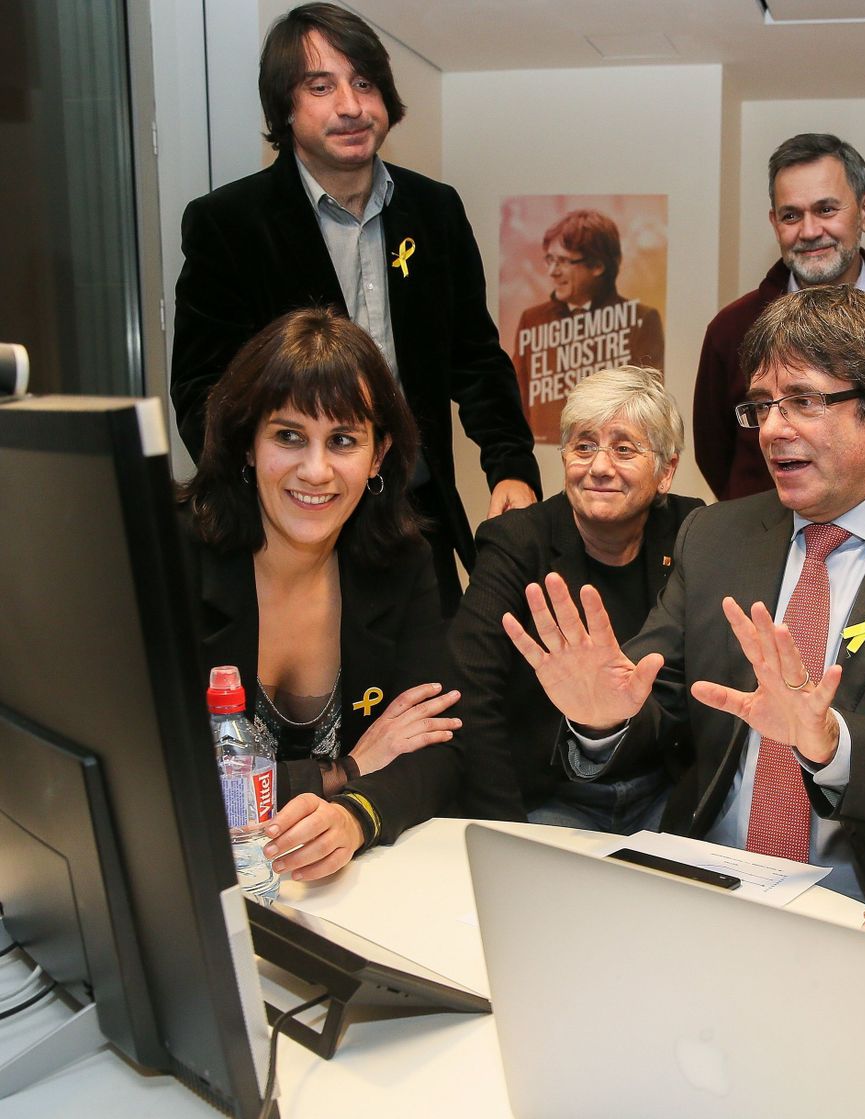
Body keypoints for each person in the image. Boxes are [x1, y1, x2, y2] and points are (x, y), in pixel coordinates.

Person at [505, 285, 865, 903]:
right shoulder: (716, 535)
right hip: (707, 884)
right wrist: (603, 719)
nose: (772, 430)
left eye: (804, 401)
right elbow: (658, 700)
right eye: (762, 405)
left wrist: (835, 745)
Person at [171, 3, 539, 615]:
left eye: (365, 83)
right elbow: (201, 392)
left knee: (435, 699)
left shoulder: (435, 209)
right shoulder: (227, 224)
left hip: (414, 521)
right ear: (283, 108)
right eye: (322, 86)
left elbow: (475, 360)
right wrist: (270, 495)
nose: (351, 105)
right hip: (292, 528)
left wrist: (512, 469)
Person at [180, 308, 464, 883]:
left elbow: (442, 747)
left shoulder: (400, 560)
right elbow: (170, 783)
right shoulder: (170, 556)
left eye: (342, 440)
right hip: (195, 885)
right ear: (246, 445)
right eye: (289, 436)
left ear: (378, 455)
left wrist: (356, 816)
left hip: (339, 893)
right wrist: (346, 769)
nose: (316, 470)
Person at [449, 366, 702, 827]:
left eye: (624, 449)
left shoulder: (692, 532)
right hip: (550, 793)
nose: (599, 467)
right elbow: (471, 689)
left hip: (664, 786)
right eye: (584, 446)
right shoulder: (516, 542)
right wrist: (506, 832)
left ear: (666, 471)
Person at [693, 133, 865, 501]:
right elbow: (714, 453)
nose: (809, 231)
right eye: (792, 215)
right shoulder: (731, 331)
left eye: (826, 210)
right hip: (763, 545)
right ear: (775, 223)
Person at [511, 210, 667, 438]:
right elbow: (518, 401)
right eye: (550, 259)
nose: (552, 272)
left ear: (597, 266)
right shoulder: (532, 319)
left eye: (563, 261)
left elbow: (648, 408)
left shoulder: (642, 320)